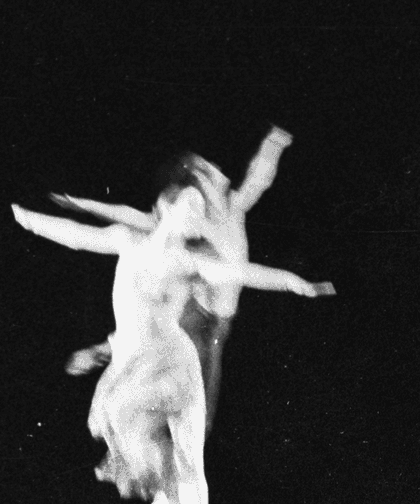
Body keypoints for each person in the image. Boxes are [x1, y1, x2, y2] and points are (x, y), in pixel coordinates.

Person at [11, 177, 332, 504]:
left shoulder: (190, 262)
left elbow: (242, 272)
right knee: (132, 444)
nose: (200, 215)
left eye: (202, 210)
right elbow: (78, 237)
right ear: (165, 208)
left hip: (176, 367)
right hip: (135, 367)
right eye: (192, 205)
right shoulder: (128, 241)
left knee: (189, 462)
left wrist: (295, 282)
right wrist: (28, 220)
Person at [52, 125, 294, 436]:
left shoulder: (234, 207)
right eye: (202, 180)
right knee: (159, 321)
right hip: (191, 305)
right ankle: (109, 361)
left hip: (214, 320)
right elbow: (130, 215)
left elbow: (259, 179)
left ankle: (119, 371)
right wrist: (84, 205)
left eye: (209, 177)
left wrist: (273, 143)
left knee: (198, 384)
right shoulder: (189, 219)